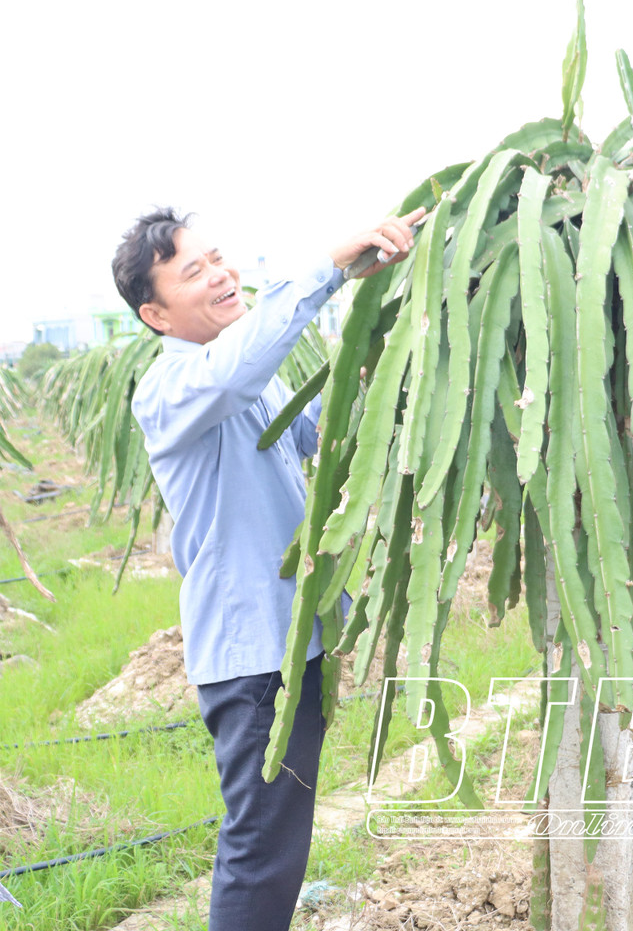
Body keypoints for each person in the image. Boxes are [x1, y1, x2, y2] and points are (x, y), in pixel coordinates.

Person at [112, 205, 424, 931]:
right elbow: (239, 369)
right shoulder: (175, 390)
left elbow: (312, 432)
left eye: (218, 257)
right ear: (156, 314)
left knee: (279, 843)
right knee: (262, 849)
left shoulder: (246, 377)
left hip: (291, 639)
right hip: (251, 654)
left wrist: (382, 356)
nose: (222, 275)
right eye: (195, 272)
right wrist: (328, 270)